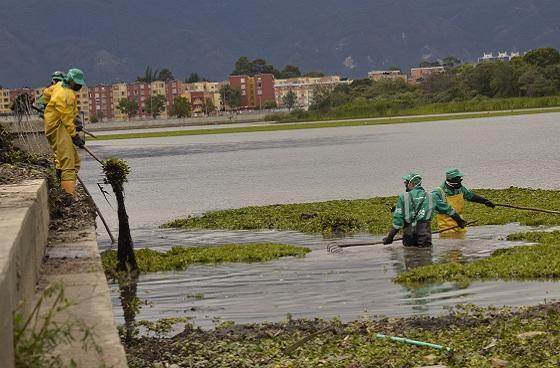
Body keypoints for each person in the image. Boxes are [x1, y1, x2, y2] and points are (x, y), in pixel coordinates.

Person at [382, 172, 466, 247]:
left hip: (408, 236)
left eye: (406, 182)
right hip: (425, 235)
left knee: (410, 257)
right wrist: (460, 222)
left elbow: (397, 222)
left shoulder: (403, 197)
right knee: (425, 258)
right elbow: (449, 210)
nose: (405, 184)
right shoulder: (431, 197)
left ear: (411, 184)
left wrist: (389, 238)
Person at [44, 68, 86, 195]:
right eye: (77, 83)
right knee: (68, 164)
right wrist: (75, 136)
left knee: (75, 161)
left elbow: (46, 93)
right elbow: (67, 118)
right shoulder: (66, 94)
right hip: (59, 127)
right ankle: (68, 195)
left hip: (56, 125)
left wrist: (48, 105)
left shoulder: (58, 86)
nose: (79, 86)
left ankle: (60, 181)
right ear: (71, 81)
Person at [433, 168, 495, 235]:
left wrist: (485, 201)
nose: (460, 181)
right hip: (447, 227)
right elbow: (446, 209)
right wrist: (458, 219)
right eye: (458, 180)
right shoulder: (438, 192)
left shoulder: (459, 188)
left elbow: (470, 196)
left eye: (460, 179)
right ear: (451, 180)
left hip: (461, 224)